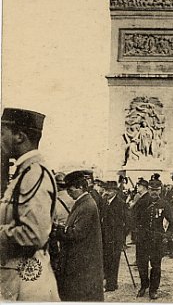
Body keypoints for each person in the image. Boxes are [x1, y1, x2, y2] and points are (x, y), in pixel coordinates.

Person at [0, 108, 60, 301]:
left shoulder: (34, 174)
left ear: (19, 136)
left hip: (25, 283)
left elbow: (33, 234)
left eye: (2, 133)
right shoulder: (25, 172)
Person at [56, 170, 104, 301]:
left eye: (70, 190)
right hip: (81, 260)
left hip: (83, 262)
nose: (68, 193)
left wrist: (55, 230)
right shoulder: (82, 203)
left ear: (80, 187)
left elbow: (76, 233)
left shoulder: (87, 205)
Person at [134, 178, 173, 299]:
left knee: (156, 266)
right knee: (142, 264)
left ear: (160, 190)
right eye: (152, 190)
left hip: (157, 240)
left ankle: (153, 289)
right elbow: (133, 217)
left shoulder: (164, 204)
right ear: (148, 189)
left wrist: (167, 235)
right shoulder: (141, 202)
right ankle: (143, 286)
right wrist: (137, 229)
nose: (154, 192)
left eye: (157, 190)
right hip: (142, 239)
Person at [101, 180, 128, 292]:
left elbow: (128, 222)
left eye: (109, 190)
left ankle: (112, 284)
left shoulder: (121, 204)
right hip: (106, 237)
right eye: (106, 190)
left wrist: (121, 236)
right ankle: (108, 282)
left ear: (115, 191)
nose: (107, 192)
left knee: (114, 261)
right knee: (106, 260)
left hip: (115, 238)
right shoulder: (105, 202)